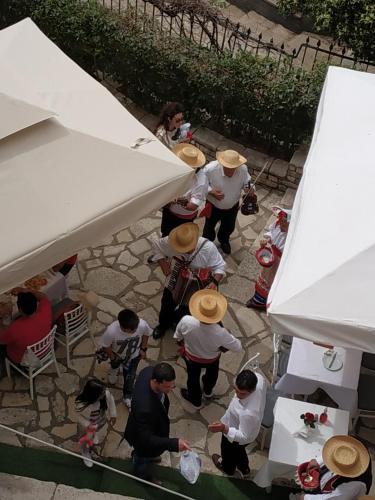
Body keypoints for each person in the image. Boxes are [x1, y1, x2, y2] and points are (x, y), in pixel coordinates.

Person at [151, 222, 226, 340]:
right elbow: (156, 245)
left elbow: (220, 267)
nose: (184, 251)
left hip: (195, 287)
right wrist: (162, 263)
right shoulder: (171, 242)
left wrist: (214, 282)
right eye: (182, 249)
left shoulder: (208, 248)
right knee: (167, 303)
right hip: (174, 281)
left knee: (186, 309)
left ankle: (176, 321)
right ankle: (163, 325)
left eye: (188, 249)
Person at [124, 363, 190, 484]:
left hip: (150, 426)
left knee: (146, 455)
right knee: (141, 458)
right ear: (155, 381)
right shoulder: (144, 407)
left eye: (172, 386)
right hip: (142, 441)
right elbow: (146, 439)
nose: (170, 390)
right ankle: (142, 476)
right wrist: (174, 443)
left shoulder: (148, 371)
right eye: (167, 387)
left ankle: (148, 457)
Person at [174, 289, 241, 408]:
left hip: (191, 358)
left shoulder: (186, 321)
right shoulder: (220, 333)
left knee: (193, 379)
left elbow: (177, 337)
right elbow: (237, 347)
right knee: (212, 375)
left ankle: (195, 400)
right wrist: (228, 335)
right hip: (212, 360)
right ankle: (208, 391)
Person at [208, 369, 267, 478]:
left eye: (242, 393)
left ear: (252, 390)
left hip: (235, 433)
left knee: (228, 452)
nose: (237, 395)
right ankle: (244, 469)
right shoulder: (259, 378)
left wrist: (224, 428)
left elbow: (244, 436)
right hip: (250, 429)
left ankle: (228, 468)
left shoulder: (249, 413)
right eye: (236, 390)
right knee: (239, 451)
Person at [202, 149, 255, 255]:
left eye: (233, 168)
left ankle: (224, 240)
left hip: (232, 207)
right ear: (222, 163)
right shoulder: (210, 169)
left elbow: (247, 183)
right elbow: (200, 183)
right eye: (228, 168)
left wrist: (249, 189)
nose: (231, 171)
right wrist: (211, 191)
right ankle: (207, 243)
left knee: (228, 227)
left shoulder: (243, 169)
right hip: (213, 206)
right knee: (209, 227)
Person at [289, 435, 372, 499]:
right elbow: (335, 450)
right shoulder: (355, 447)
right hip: (332, 484)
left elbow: (329, 499)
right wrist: (317, 461)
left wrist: (305, 498)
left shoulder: (353, 485)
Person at [99, 309, 152, 408]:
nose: (136, 330)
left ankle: (127, 396)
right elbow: (106, 345)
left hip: (133, 355)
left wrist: (143, 348)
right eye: (132, 330)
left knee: (130, 376)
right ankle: (114, 370)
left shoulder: (141, 324)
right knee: (115, 364)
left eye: (136, 328)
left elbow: (146, 333)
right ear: (123, 328)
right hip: (117, 355)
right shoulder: (111, 331)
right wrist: (113, 357)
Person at [246, 207, 291, 311]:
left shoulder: (291, 237)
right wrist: (266, 241)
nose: (281, 225)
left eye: (285, 224)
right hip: (270, 259)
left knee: (271, 282)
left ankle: (262, 302)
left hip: (279, 263)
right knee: (264, 278)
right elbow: (271, 232)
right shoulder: (277, 224)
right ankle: (258, 298)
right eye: (281, 221)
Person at [160, 144, 208, 237]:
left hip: (183, 218)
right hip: (168, 211)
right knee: (165, 233)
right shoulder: (178, 169)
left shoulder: (201, 181)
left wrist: (176, 200)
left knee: (179, 238)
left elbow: (192, 206)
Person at [0, 288, 52, 365]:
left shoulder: (15, 328)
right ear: (36, 304)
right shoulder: (45, 309)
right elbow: (43, 296)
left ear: (20, 310)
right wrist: (27, 291)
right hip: (45, 349)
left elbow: (1, 341)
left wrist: (1, 316)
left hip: (26, 359)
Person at [75, 378, 117, 468]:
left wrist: (113, 414)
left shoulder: (105, 393)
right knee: (84, 439)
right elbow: (78, 416)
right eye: (101, 393)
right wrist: (88, 425)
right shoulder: (81, 404)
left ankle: (94, 436)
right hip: (86, 426)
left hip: (99, 420)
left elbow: (110, 400)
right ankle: (85, 452)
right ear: (94, 395)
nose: (105, 393)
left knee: (96, 431)